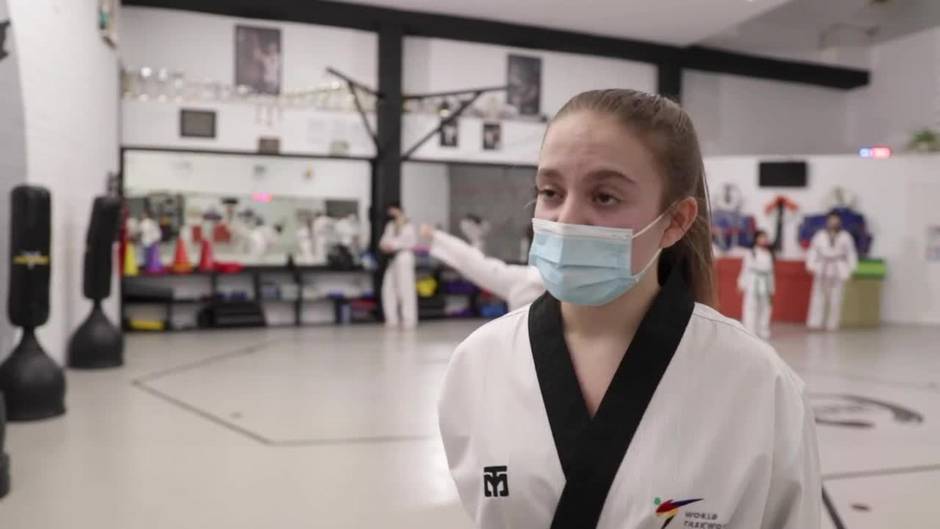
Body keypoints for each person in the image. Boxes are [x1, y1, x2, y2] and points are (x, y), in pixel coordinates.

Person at [438, 89, 821, 529]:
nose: (566, 219)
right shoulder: (480, 363)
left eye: (604, 197)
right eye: (550, 191)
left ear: (676, 220)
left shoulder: (757, 383)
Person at [419, 224, 543, 311]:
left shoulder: (532, 279)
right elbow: (475, 264)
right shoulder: (530, 279)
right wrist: (438, 237)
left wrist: (438, 237)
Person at [806, 212, 858, 331]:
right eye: (831, 220)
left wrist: (852, 269)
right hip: (822, 267)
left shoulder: (846, 236)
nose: (833, 222)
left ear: (839, 221)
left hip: (838, 267)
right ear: (827, 221)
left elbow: (851, 253)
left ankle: (832, 324)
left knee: (836, 297)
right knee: (818, 296)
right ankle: (815, 323)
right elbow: (813, 250)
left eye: (836, 220)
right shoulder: (819, 235)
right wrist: (810, 265)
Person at [379, 203, 418, 329]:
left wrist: (392, 245)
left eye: (393, 210)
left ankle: (409, 320)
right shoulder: (390, 225)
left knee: (405, 288)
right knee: (388, 288)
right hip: (392, 259)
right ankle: (392, 319)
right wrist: (387, 246)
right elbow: (383, 242)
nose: (391, 213)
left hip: (404, 256)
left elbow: (410, 242)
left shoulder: (409, 225)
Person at [738, 229, 776, 340]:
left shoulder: (769, 254)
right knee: (750, 306)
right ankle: (749, 330)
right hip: (753, 282)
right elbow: (745, 269)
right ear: (756, 239)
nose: (763, 240)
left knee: (765, 307)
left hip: (766, 282)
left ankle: (763, 329)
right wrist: (741, 283)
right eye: (761, 237)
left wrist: (772, 288)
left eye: (765, 237)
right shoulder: (750, 253)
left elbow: (771, 272)